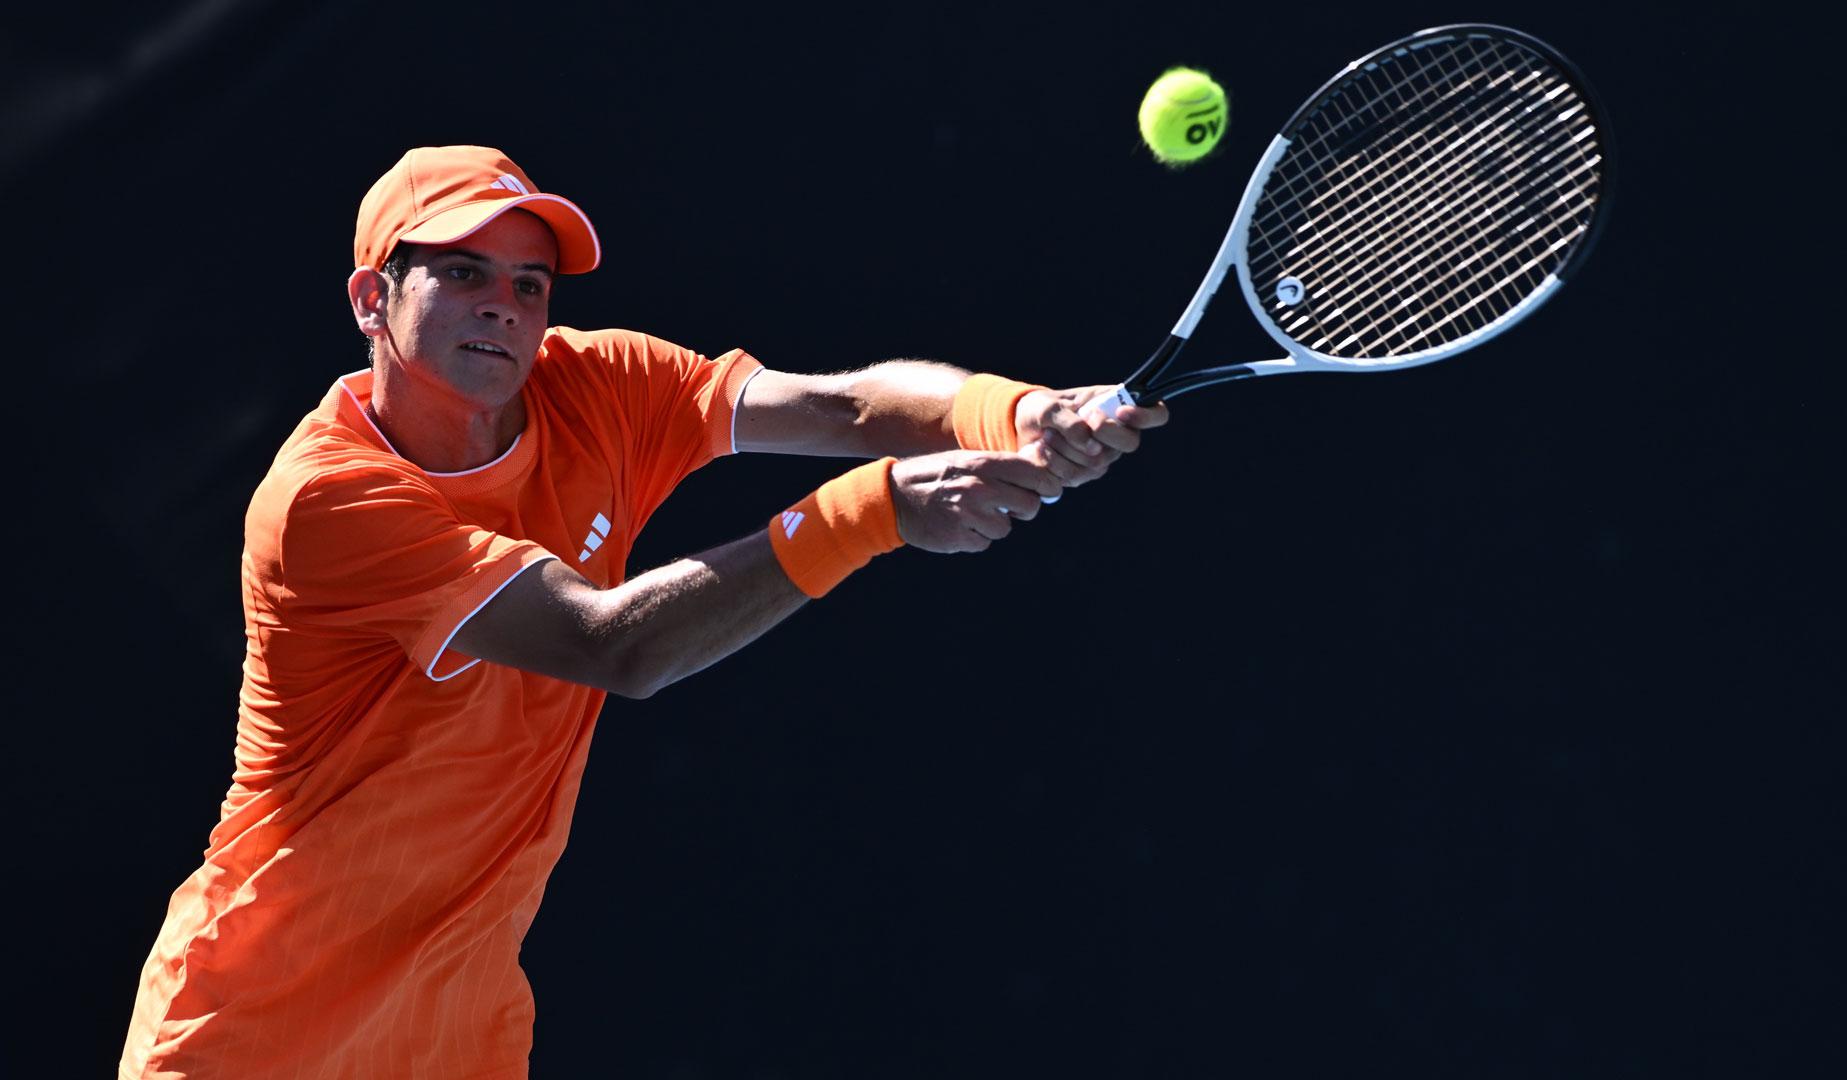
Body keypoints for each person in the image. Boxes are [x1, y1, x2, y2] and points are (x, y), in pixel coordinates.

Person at [119, 145, 1165, 1078]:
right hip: (255, 1034)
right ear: (369, 299)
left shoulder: (599, 386)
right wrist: (877, 509)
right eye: (462, 272)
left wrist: (1021, 411)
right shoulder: (325, 501)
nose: (506, 305)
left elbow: (848, 405)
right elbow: (611, 642)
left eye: (530, 283)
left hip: (457, 1028)